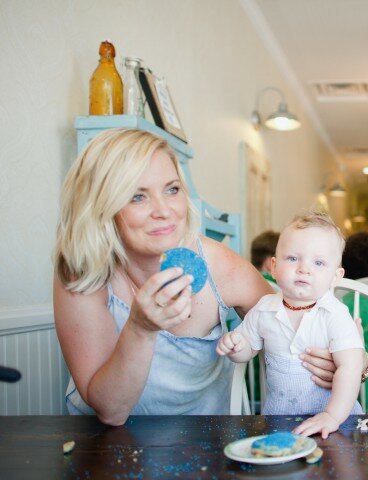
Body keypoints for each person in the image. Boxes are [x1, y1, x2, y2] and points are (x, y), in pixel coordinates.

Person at [53, 129, 351, 425]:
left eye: (172, 189)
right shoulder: (82, 271)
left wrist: (353, 362)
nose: (164, 210)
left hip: (206, 436)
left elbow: (297, 318)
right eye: (137, 196)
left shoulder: (217, 264)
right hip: (102, 441)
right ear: (101, 206)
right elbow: (111, 411)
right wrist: (141, 328)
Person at [217, 212, 364, 438]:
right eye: (293, 258)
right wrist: (236, 346)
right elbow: (247, 350)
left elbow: (351, 368)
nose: (304, 268)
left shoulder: (335, 314)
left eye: (318, 262)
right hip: (280, 419)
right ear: (274, 267)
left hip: (337, 421)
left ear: (336, 276)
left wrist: (332, 416)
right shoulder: (264, 309)